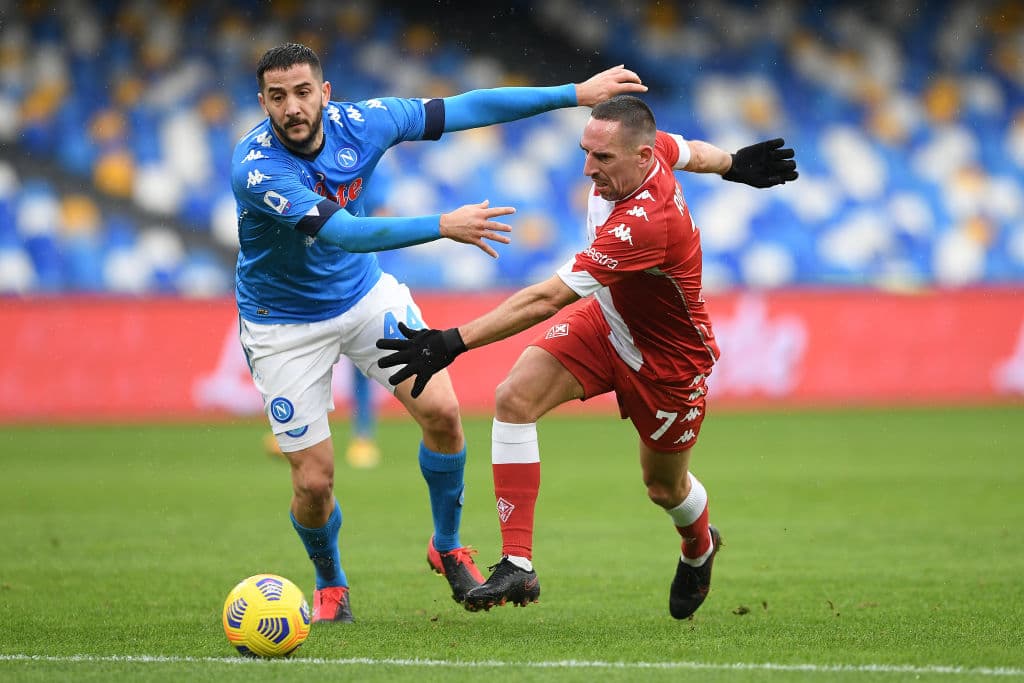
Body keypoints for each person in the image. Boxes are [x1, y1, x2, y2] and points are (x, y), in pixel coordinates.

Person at [231, 42, 647, 624]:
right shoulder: (256, 168)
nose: (292, 107)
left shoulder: (364, 122)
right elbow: (344, 233)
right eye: (278, 97)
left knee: (445, 416)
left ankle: (447, 544)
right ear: (263, 103)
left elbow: (467, 108)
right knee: (315, 480)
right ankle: (331, 583)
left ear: (324, 93)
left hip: (363, 297)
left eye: (303, 92)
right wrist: (442, 225)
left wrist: (572, 94)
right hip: (284, 325)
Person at [377, 95, 797, 618]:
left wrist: (450, 342)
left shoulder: (645, 222)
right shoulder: (652, 151)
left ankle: (699, 545)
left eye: (603, 159)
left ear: (642, 159)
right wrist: (734, 165)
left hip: (665, 361)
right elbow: (692, 151)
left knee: (663, 487)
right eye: (585, 152)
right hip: (608, 319)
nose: (587, 168)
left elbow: (547, 298)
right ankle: (518, 563)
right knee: (513, 398)